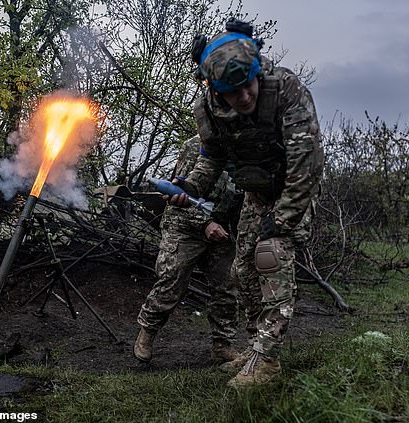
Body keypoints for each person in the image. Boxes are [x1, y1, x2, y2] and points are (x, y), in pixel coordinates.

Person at [167, 18, 324, 387]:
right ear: (216, 89)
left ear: (256, 71)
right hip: (256, 193)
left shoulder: (285, 88)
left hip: (293, 189)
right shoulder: (207, 110)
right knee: (243, 272)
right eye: (232, 92)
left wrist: (283, 219)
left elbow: (308, 160)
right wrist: (190, 187)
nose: (244, 97)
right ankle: (256, 349)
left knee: (270, 255)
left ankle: (268, 361)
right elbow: (212, 157)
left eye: (247, 85)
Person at [134, 135, 242, 366]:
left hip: (221, 227)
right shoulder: (195, 146)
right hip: (184, 224)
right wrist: (204, 224)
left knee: (226, 287)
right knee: (171, 281)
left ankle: (222, 346)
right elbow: (181, 193)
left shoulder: (247, 148)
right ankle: (147, 333)